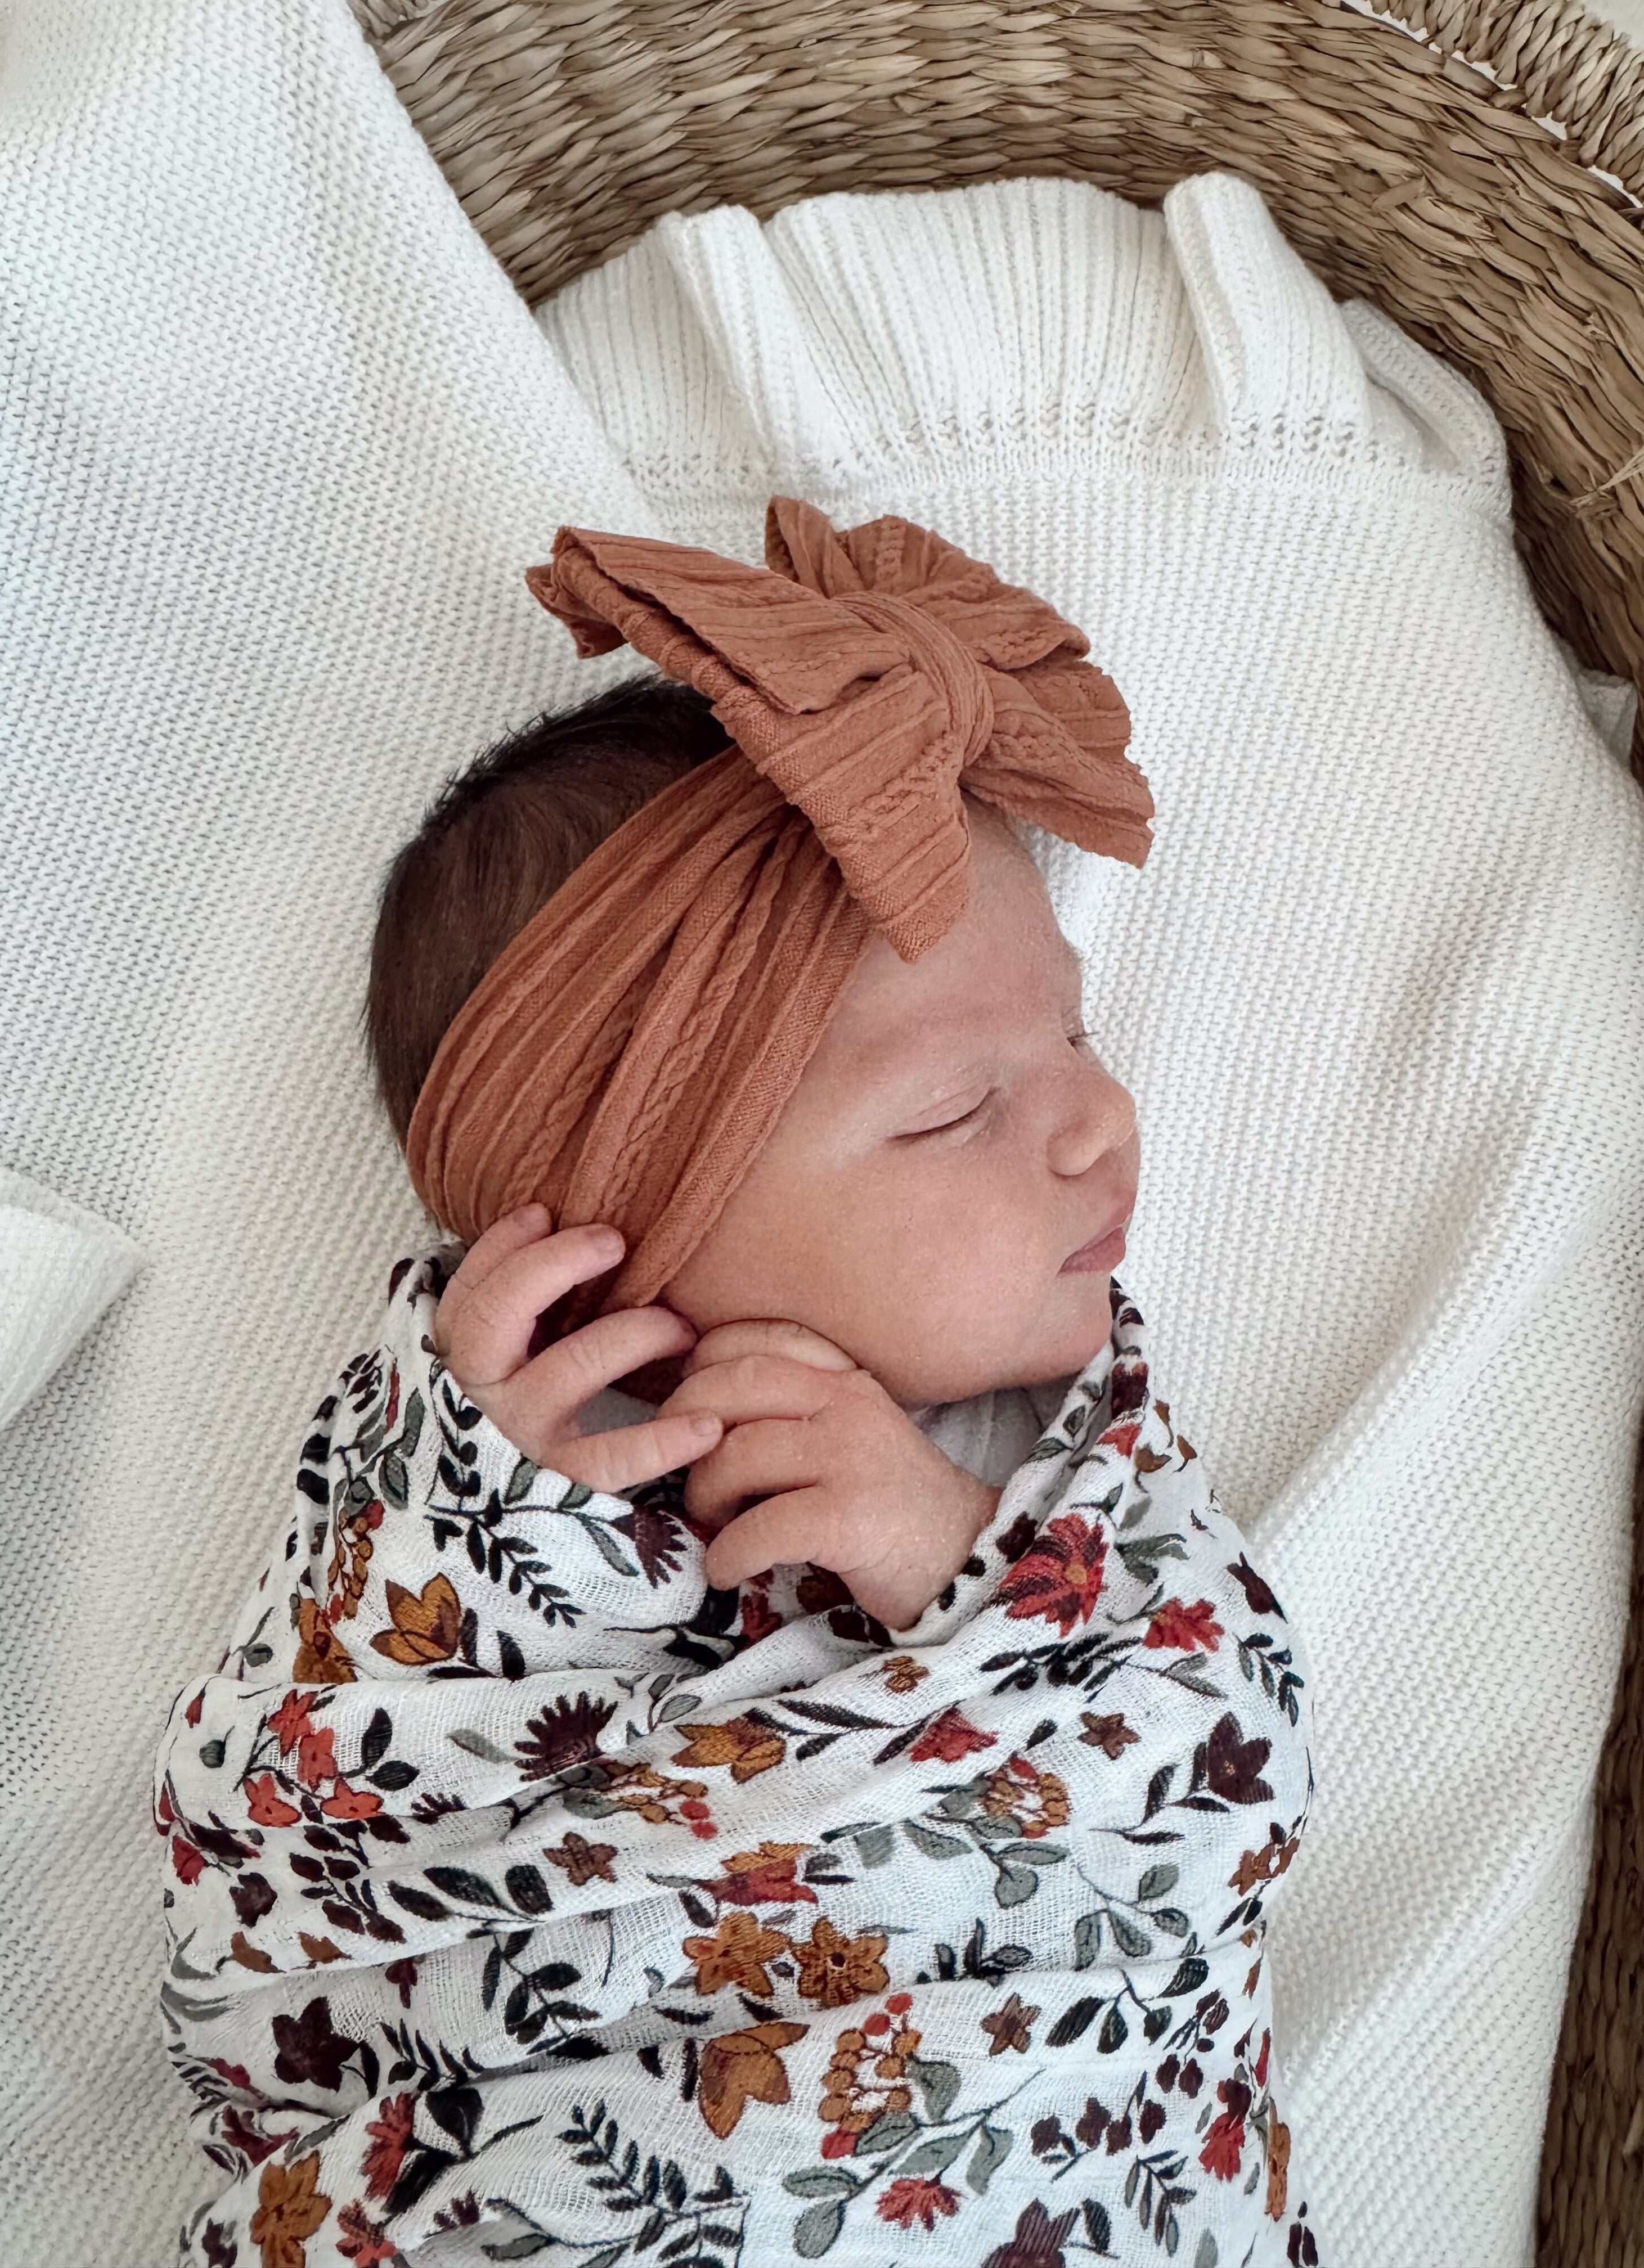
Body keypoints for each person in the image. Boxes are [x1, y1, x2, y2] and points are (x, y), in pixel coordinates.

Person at [156, 499, 1319, 2268]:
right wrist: (482, 1534)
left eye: (1075, 1033)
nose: (1101, 1118)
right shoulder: (466, 1457)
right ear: (627, 1233)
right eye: (957, 1109)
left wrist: (961, 1560)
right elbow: (273, 1867)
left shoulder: (1063, 1472)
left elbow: (1232, 1762)